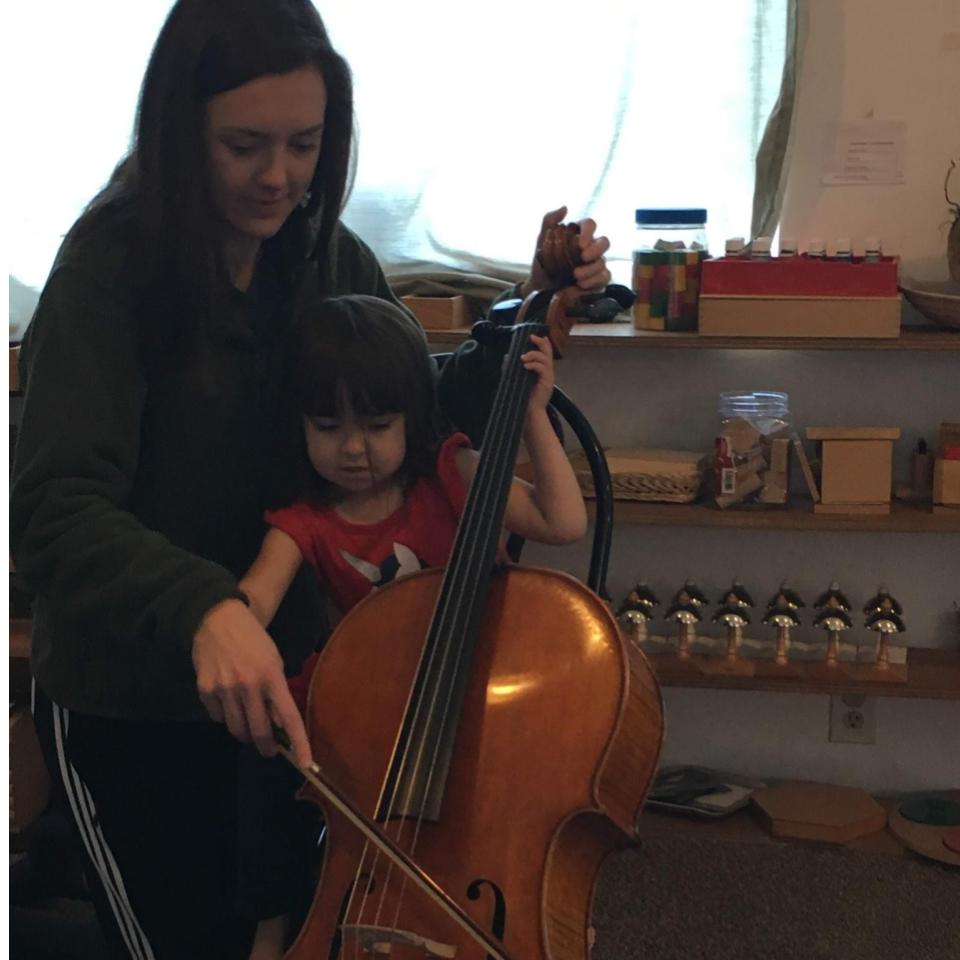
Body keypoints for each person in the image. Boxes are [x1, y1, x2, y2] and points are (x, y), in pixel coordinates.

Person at [9, 0, 611, 957]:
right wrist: (208, 608)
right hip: (133, 701)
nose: (279, 177)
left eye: (304, 144)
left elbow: (410, 409)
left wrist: (523, 318)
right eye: (244, 146)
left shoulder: (327, 253)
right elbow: (53, 510)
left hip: (301, 696)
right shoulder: (106, 270)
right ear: (179, 133)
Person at [236, 293, 587, 957]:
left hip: (475, 695)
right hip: (367, 704)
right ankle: (272, 923)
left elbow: (563, 522)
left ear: (413, 415)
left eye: (377, 424)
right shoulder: (304, 520)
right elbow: (254, 595)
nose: (354, 448)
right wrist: (226, 631)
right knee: (268, 768)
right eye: (328, 426)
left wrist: (532, 417)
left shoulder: (452, 474)